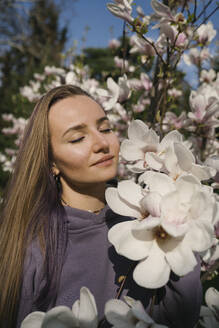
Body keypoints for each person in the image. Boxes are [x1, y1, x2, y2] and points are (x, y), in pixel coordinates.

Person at [0, 85, 202, 328]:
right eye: (77, 138)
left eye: (105, 128)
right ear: (51, 162)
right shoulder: (32, 248)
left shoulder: (146, 215)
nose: (102, 143)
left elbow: (178, 318)